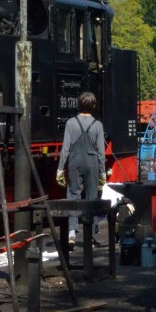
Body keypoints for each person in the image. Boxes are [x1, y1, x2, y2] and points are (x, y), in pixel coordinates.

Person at [56, 91, 106, 244]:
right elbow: (101, 152)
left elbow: (65, 149)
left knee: (73, 195)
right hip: (92, 163)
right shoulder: (97, 125)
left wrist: (60, 169)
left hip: (74, 162)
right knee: (92, 197)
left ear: (78, 105)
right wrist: (102, 172)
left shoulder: (71, 123)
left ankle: (71, 233)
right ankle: (90, 234)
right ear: (94, 106)